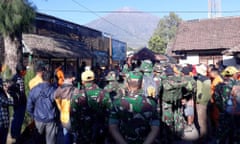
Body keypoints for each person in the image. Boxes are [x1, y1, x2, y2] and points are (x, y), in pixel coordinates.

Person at [109, 71, 159, 144]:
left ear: (126, 84)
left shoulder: (117, 103)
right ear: (142, 84)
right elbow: (155, 128)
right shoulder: (151, 103)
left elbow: (113, 127)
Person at [70, 68, 111, 143]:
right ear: (94, 79)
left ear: (82, 81)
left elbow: (73, 115)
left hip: (83, 133)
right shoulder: (104, 93)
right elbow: (109, 113)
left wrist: (75, 130)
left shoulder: (77, 95)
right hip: (99, 132)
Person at [27, 71, 58, 144]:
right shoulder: (54, 90)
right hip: (51, 120)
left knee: (37, 141)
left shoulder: (35, 89)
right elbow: (59, 105)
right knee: (51, 142)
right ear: (51, 79)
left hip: (38, 119)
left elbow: (29, 106)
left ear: (42, 78)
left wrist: (33, 115)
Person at [54, 71, 79, 144]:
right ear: (72, 79)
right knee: (75, 137)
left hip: (63, 118)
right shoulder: (76, 90)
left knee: (66, 136)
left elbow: (56, 100)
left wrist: (61, 109)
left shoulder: (58, 90)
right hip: (73, 118)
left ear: (64, 78)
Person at [10, 63, 27, 142]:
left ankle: (14, 134)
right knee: (18, 119)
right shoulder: (18, 79)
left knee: (16, 118)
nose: (25, 72)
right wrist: (22, 99)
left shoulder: (15, 77)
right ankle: (16, 135)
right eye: (24, 70)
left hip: (17, 102)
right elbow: (21, 92)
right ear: (21, 71)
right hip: (20, 103)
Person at [195, 64, 211, 141]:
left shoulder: (199, 79)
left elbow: (199, 92)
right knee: (207, 119)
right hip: (207, 101)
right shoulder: (207, 79)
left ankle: (202, 137)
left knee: (201, 121)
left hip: (201, 103)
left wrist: (197, 101)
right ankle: (208, 136)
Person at [0, 77, 14, 144]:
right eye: (3, 85)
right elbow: (7, 102)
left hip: (4, 123)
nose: (5, 86)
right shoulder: (1, 94)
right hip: (2, 124)